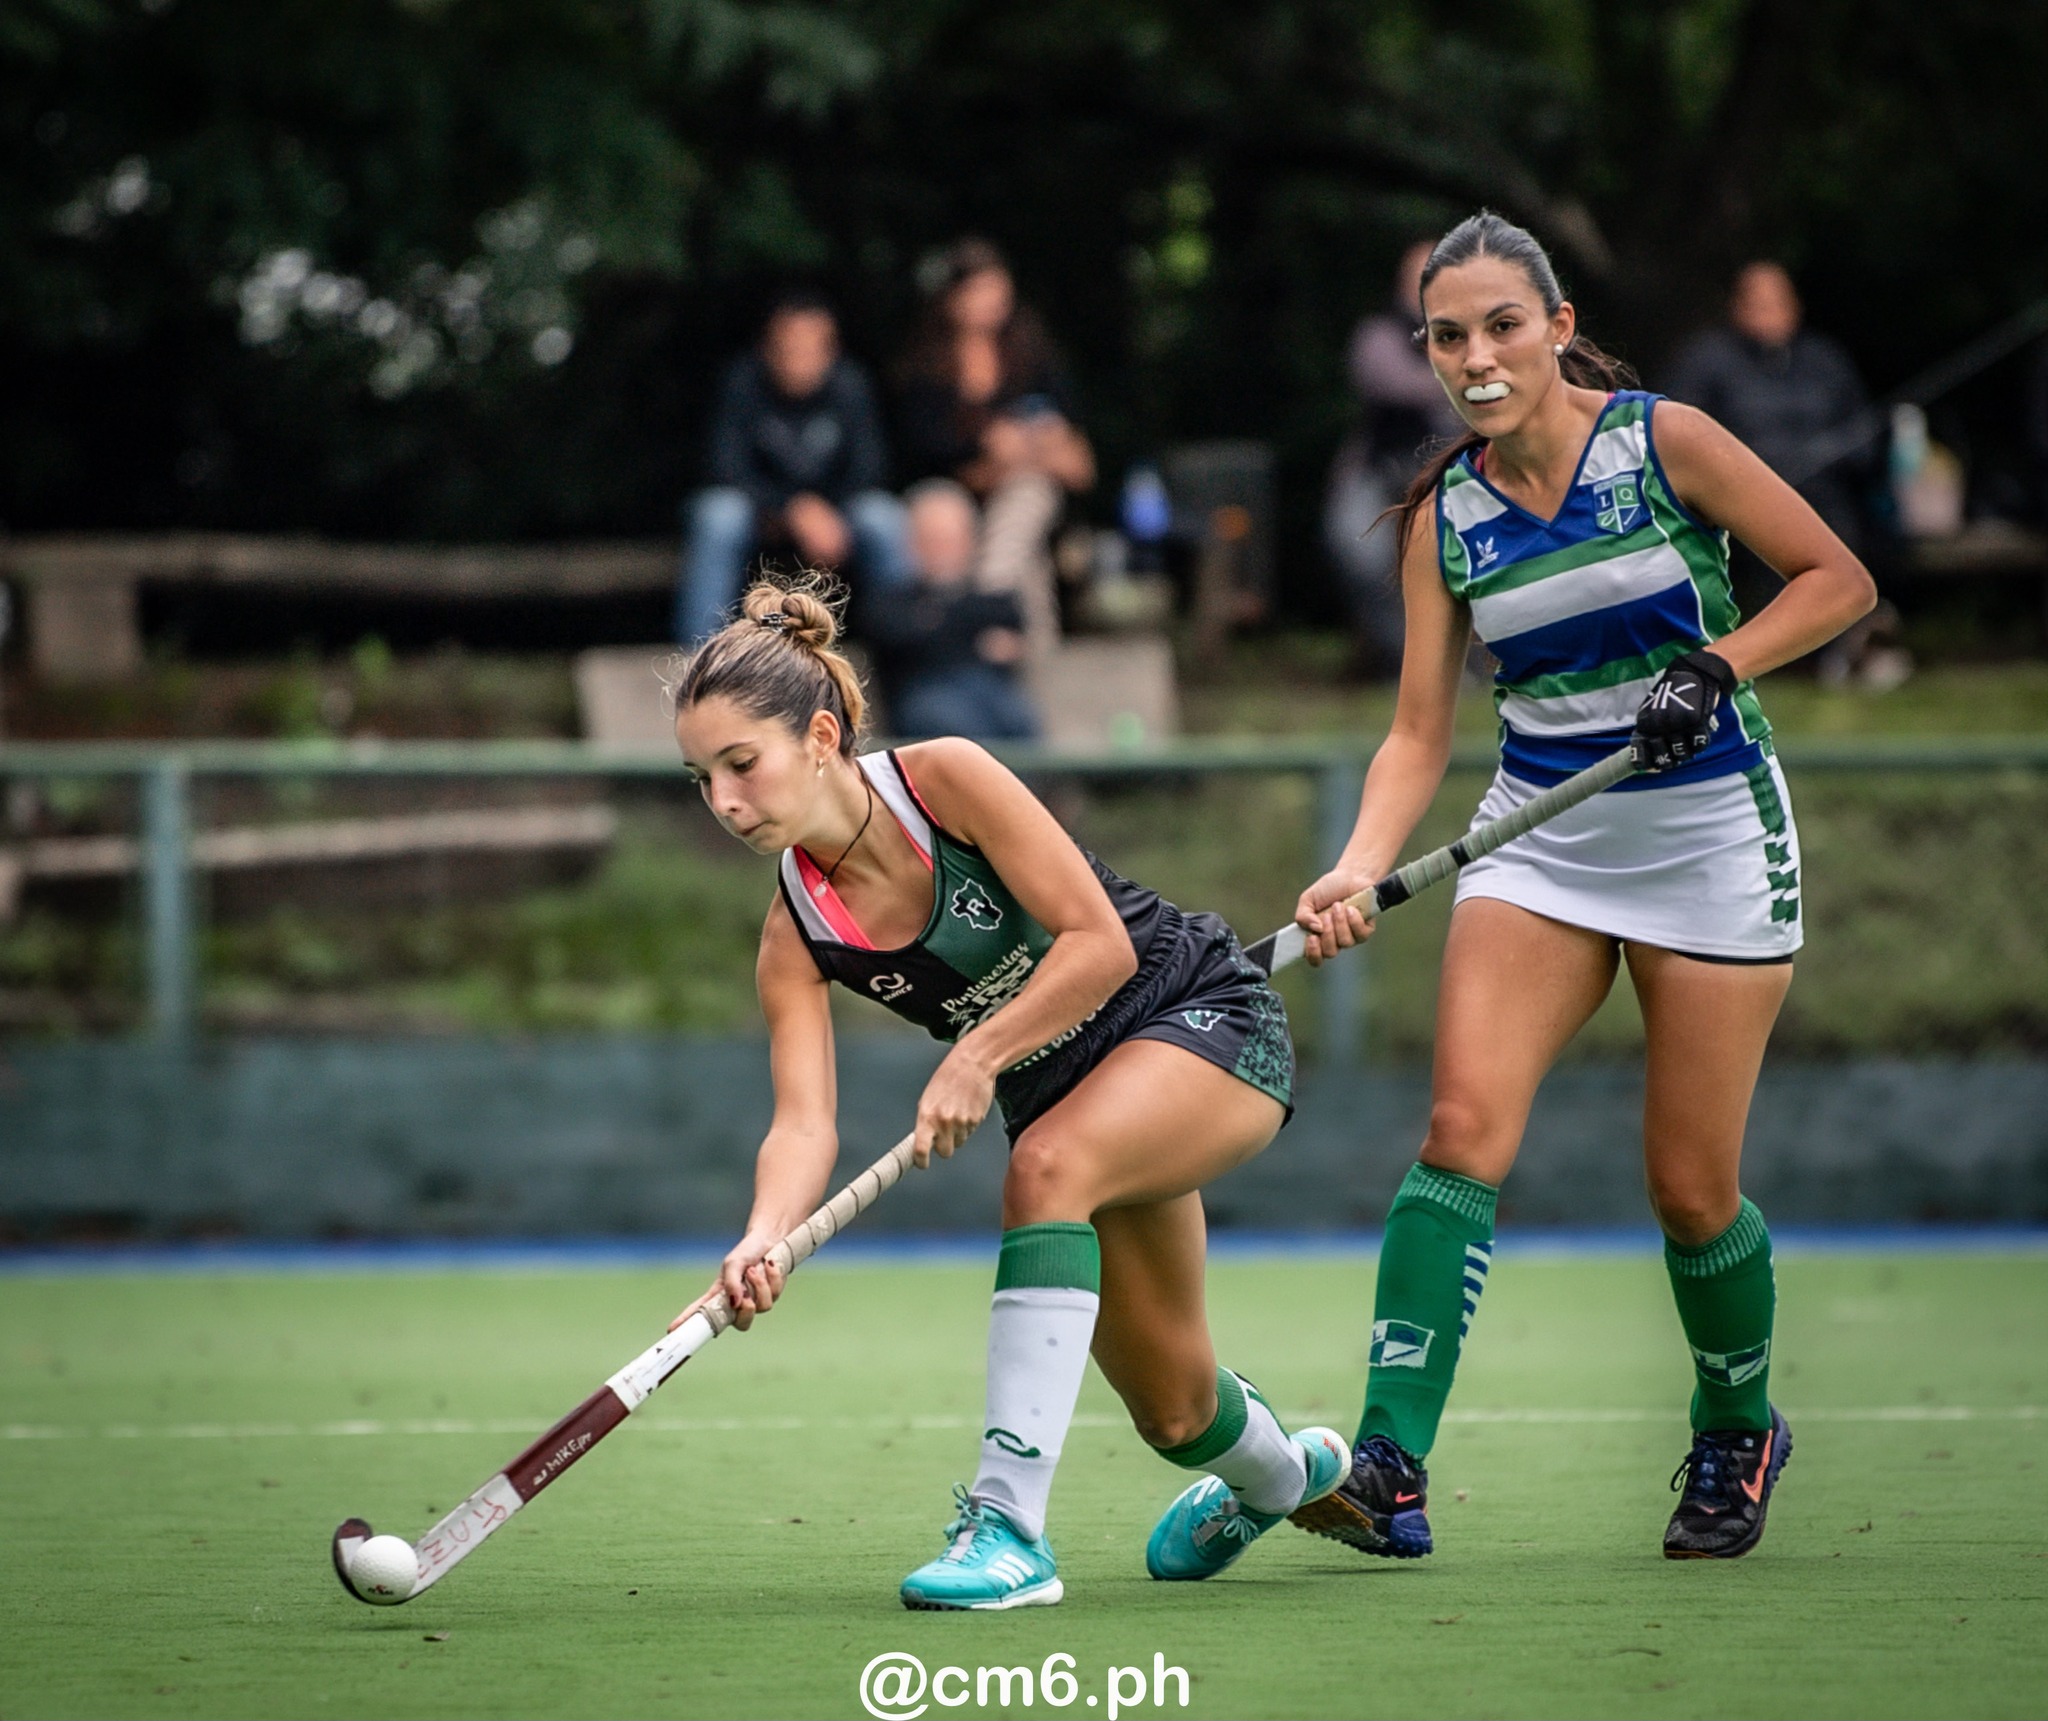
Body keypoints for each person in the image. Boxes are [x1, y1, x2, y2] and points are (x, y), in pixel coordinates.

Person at [1288, 213, 1875, 1564]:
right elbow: (1418, 737)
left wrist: (1718, 663)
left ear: (1557, 327)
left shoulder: (1667, 443)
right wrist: (1356, 866)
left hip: (1710, 831)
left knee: (1688, 1189)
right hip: (1541, 842)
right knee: (1459, 1129)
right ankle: (1388, 1465)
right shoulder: (1446, 515)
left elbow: (1839, 581)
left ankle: (1739, 1429)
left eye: (1503, 325)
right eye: (1449, 335)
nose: (1476, 356)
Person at [667, 578, 1347, 1610]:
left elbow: (1097, 941)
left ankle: (1007, 1529)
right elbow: (803, 1121)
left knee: (1046, 1166)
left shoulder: (945, 778)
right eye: (699, 777)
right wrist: (764, 1235)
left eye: (739, 764)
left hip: (1198, 1017)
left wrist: (976, 1054)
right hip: (1073, 1099)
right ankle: (1286, 1477)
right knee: (1173, 1410)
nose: (722, 801)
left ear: (815, 735)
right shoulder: (794, 934)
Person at [1666, 263, 1894, 681]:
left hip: (1825, 490)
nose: (1769, 314)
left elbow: (1863, 432)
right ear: (1737, 308)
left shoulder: (1824, 360)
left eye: (1778, 304)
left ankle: (1844, 641)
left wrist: (1835, 454)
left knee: (1852, 521)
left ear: (1795, 308)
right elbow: (1679, 436)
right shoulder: (1707, 359)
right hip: (1733, 494)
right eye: (1758, 304)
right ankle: (1791, 651)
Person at [896, 240, 1096, 663]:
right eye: (977, 290)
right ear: (950, 298)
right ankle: (1008, 632)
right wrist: (998, 459)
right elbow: (929, 462)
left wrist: (1020, 451)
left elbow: (1078, 462)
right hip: (955, 500)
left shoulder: (1036, 358)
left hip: (1026, 499)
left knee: (1027, 495)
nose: (990, 301)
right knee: (1016, 553)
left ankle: (990, 612)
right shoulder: (924, 373)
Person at [675, 293, 909, 644]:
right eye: (789, 348)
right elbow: (723, 468)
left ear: (831, 351)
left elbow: (871, 468)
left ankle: (909, 649)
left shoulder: (851, 384)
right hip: (761, 513)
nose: (798, 361)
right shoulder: (742, 382)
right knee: (717, 516)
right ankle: (701, 658)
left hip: (835, 516)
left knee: (883, 517)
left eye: (810, 349)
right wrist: (791, 509)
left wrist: (824, 512)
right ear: (768, 348)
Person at [1325, 239, 1466, 677]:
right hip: (1379, 472)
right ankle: (1407, 658)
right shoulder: (1380, 333)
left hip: (1460, 473)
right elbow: (1387, 380)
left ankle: (1464, 663)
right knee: (1356, 545)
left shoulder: (1475, 335)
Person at [866, 479, 1041, 741]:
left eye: (949, 539)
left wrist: (935, 622)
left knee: (1020, 723)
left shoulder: (993, 599)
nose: (941, 549)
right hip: (924, 700)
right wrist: (972, 638)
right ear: (911, 542)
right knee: (958, 730)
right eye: (932, 539)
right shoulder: (888, 601)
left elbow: (1013, 625)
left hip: (989, 694)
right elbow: (897, 637)